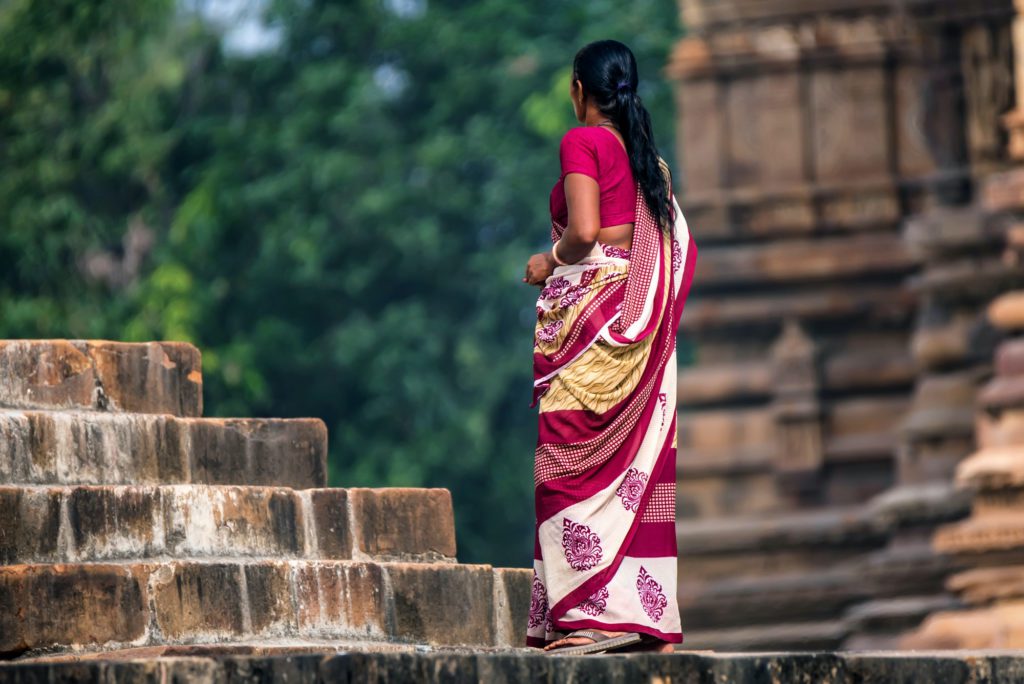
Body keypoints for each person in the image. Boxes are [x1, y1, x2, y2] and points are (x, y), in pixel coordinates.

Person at [522, 39, 698, 656]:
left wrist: (551, 261)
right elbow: (639, 234)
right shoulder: (645, 156)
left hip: (589, 321)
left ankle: (591, 615)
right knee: (628, 466)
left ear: (578, 89)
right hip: (631, 312)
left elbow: (589, 231)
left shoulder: (584, 142)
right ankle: (636, 614)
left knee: (565, 463)